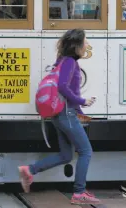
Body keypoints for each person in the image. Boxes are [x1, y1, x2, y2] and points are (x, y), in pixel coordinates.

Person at [18, 29, 100, 205]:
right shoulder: (70, 62)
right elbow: (63, 87)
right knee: (86, 151)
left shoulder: (62, 61)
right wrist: (82, 101)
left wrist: (81, 111)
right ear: (77, 45)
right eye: (85, 41)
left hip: (61, 114)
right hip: (66, 114)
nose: (87, 45)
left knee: (66, 155)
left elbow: (68, 91)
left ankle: (30, 170)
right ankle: (79, 193)